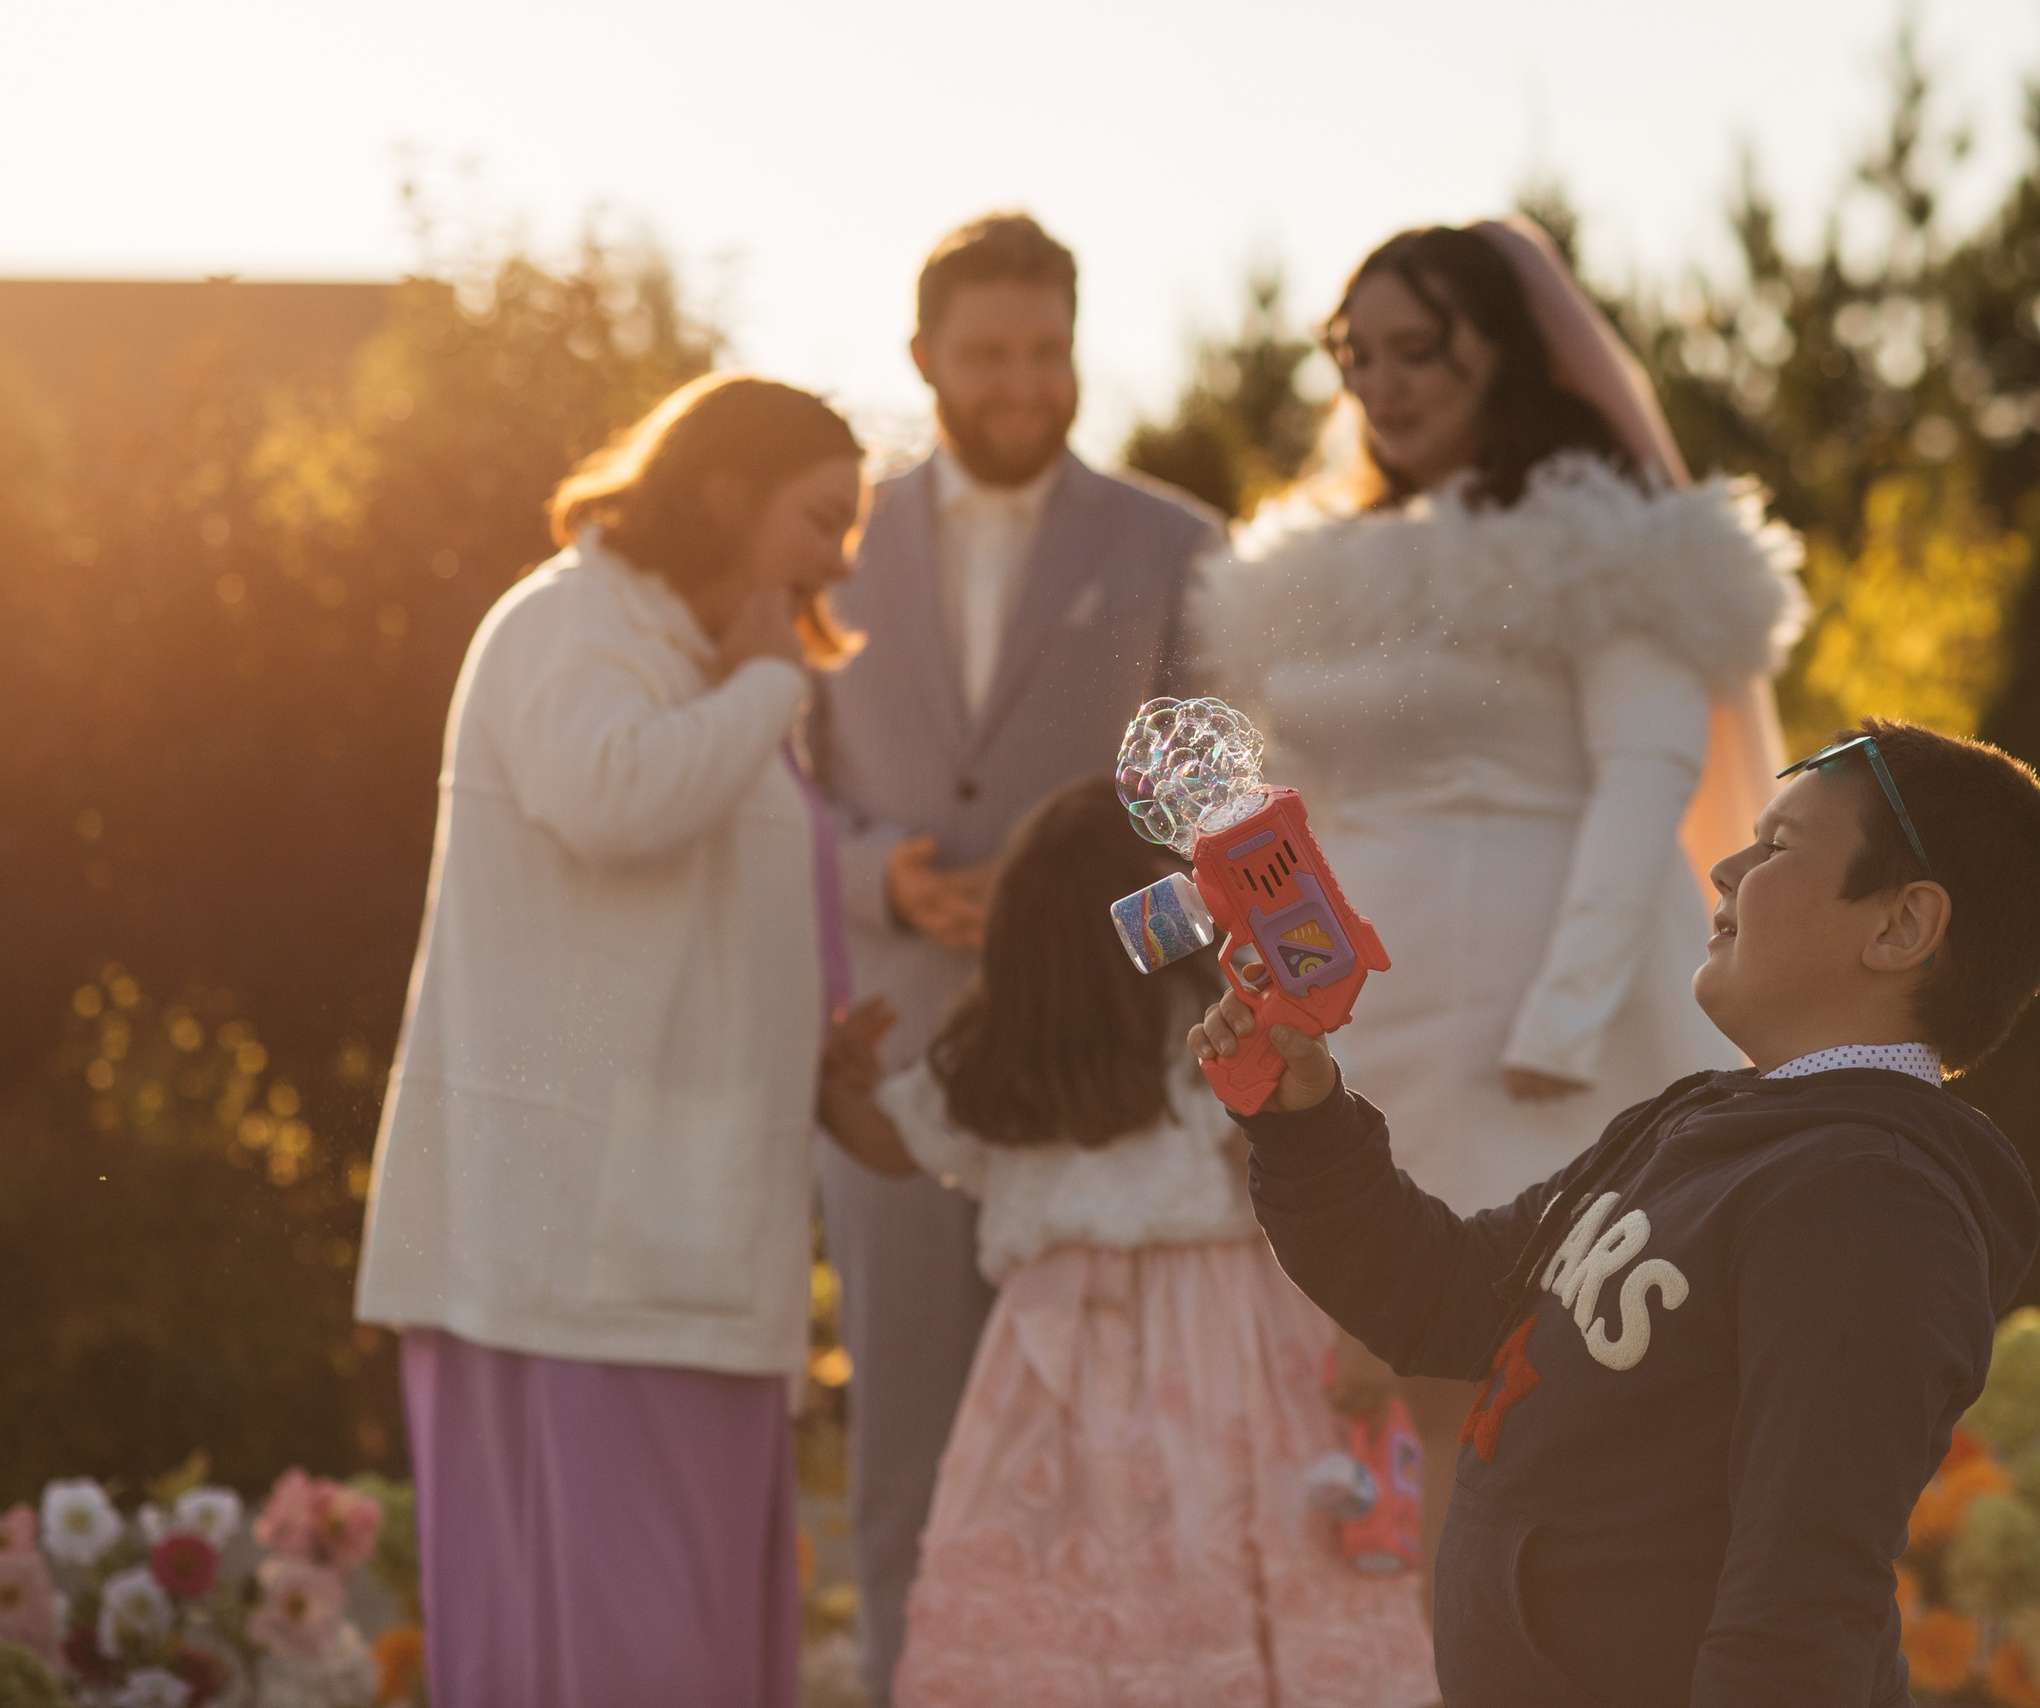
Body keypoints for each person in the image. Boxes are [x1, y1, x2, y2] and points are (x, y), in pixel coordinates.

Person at [1191, 718, 2040, 1707]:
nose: (1725, 867)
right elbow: (1439, 1297)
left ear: (1901, 926)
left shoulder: (1874, 1205)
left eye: (1777, 847)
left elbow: (1804, 1592)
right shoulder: (1700, 1121)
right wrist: (1303, 1118)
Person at [1193, 217, 1807, 1599]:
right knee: (1389, 1411)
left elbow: (1643, 775)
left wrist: (1568, 1015)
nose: (1387, 385)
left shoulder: (1610, 546)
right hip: (1365, 1016)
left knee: (1562, 1391)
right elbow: (1282, 803)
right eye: (1361, 356)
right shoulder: (1313, 570)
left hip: (1556, 1022)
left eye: (1423, 351)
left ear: (1504, 354)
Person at [353, 373, 868, 1707]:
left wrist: (822, 1054)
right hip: (579, 1252)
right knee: (620, 1658)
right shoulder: (570, 622)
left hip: (679, 1246)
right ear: (722, 495)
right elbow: (611, 801)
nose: (837, 560)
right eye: (820, 519)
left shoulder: (712, 666)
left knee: (690, 1649)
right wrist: (766, 682)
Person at [809, 210, 1222, 1701]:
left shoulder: (1177, 546)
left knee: (1124, 1464)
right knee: (906, 1447)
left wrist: (1086, 923)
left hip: (1113, 1081)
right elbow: (780, 779)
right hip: (894, 1048)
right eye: (987, 355)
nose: (1022, 384)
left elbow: (1218, 822)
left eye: (1047, 351)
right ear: (924, 357)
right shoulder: (828, 534)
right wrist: (877, 879)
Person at [817, 777, 1438, 1708]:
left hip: (1053, 1370)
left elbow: (891, 1142)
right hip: (1233, 1348)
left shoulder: (1004, 1060)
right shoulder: (1219, 1035)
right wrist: (1362, 1329)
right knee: (1232, 1547)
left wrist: (837, 1087)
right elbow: (1319, 1185)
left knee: (1069, 1582)